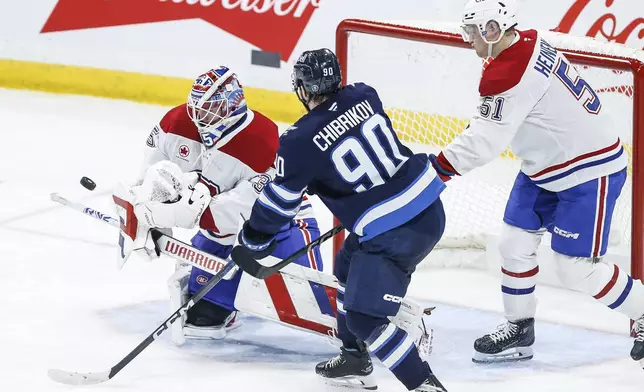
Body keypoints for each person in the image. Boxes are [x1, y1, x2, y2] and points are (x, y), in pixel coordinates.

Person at [428, 0, 644, 364]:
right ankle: (519, 329)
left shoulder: (507, 71)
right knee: (513, 244)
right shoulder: (526, 41)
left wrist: (435, 172)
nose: (468, 39)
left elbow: (485, 142)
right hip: (546, 165)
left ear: (493, 30)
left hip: (589, 170)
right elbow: (497, 122)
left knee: (575, 267)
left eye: (472, 31)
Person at [234, 49, 448, 392]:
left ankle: (423, 384)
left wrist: (254, 239)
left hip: (393, 231)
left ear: (302, 89)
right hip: (427, 208)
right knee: (346, 267)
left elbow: (278, 205)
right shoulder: (365, 95)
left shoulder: (298, 141)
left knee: (366, 318)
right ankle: (354, 359)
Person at [123, 65, 323, 343]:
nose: (200, 117)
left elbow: (229, 214)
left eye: (210, 109)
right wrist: (142, 212)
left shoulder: (260, 138)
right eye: (197, 109)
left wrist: (167, 215)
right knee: (203, 317)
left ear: (232, 105)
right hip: (224, 232)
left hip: (281, 224)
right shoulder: (176, 124)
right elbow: (149, 180)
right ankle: (228, 299)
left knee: (310, 302)